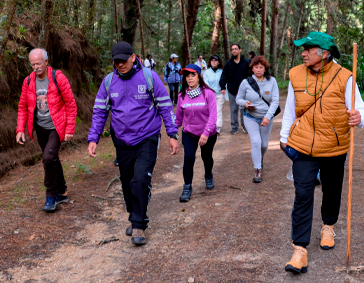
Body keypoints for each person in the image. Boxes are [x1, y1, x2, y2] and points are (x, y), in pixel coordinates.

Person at [279, 31, 364, 274]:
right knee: (303, 193)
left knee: (331, 189)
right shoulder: (296, 74)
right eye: (302, 49)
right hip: (303, 145)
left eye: (309, 49)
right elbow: (290, 110)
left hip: (334, 146)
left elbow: (360, 107)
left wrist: (360, 117)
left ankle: (328, 225)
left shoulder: (345, 77)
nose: (303, 53)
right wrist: (284, 138)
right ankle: (299, 249)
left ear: (325, 53)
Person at [88, 41, 179, 245]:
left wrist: (173, 135)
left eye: (123, 60)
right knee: (127, 181)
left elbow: (165, 106)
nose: (120, 65)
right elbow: (100, 111)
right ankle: (134, 214)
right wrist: (93, 137)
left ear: (133, 56)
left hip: (147, 136)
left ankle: (139, 224)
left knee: (140, 179)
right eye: (116, 62)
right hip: (121, 139)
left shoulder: (149, 77)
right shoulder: (109, 82)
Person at [16, 48, 77, 212]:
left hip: (57, 127)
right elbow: (22, 106)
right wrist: (20, 129)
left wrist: (70, 128)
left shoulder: (58, 78)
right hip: (40, 127)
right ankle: (63, 191)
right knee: (52, 158)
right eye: (33, 64)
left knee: (48, 158)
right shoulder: (28, 81)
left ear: (46, 62)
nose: (36, 67)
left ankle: (51, 196)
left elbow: (70, 104)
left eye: (38, 63)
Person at [175, 64, 219, 202]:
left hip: (208, 133)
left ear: (199, 76)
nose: (190, 78)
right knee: (188, 158)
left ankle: (208, 174)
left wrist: (206, 133)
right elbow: (178, 118)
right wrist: (173, 134)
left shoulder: (208, 93)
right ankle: (187, 187)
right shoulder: (181, 96)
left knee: (206, 157)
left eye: (193, 75)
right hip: (189, 133)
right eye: (187, 76)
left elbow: (213, 116)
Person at [236, 56, 279, 183]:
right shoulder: (246, 82)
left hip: (266, 117)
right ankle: (257, 169)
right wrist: (245, 103)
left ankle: (259, 159)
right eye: (256, 67)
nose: (259, 70)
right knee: (256, 142)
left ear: (265, 69)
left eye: (261, 67)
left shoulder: (272, 81)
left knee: (264, 145)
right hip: (250, 117)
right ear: (252, 69)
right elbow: (238, 99)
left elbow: (275, 101)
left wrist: (268, 117)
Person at [220, 43, 250, 134]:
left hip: (244, 91)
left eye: (236, 49)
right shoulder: (229, 63)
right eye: (232, 49)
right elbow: (224, 75)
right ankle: (234, 127)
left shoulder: (246, 62)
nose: (234, 51)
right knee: (233, 109)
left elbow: (250, 76)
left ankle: (245, 126)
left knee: (244, 109)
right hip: (232, 90)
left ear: (240, 50)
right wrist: (223, 87)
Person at [202, 55, 225, 134]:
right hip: (210, 95)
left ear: (218, 62)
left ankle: (217, 127)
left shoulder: (221, 72)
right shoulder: (207, 72)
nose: (214, 62)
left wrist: (223, 89)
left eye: (215, 61)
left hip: (219, 94)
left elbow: (224, 81)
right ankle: (210, 126)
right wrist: (210, 91)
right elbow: (205, 82)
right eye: (212, 61)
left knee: (218, 110)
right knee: (210, 111)